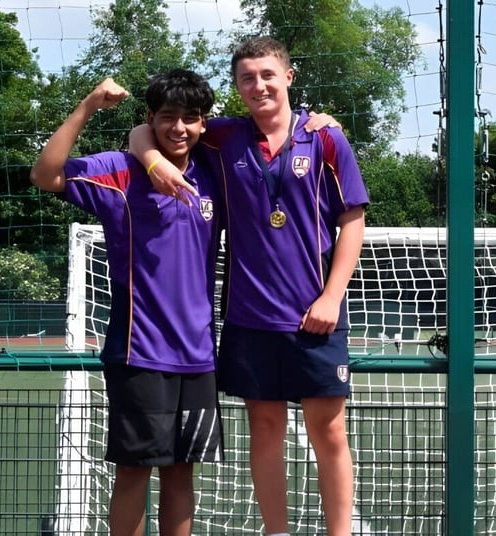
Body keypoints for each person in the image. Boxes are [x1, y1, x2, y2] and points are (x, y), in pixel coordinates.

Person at [130, 37, 369, 536]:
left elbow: (352, 220)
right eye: (246, 78)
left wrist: (332, 296)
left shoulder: (325, 138)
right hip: (249, 316)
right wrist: (153, 162)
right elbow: (142, 131)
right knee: (265, 430)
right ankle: (275, 533)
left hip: (316, 315)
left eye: (266, 74)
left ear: (288, 76)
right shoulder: (223, 137)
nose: (257, 85)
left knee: (329, 432)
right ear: (237, 87)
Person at [30, 70, 222, 536]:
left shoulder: (215, 171)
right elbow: (45, 174)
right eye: (168, 118)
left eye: (190, 119)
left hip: (199, 356)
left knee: (181, 471)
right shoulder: (118, 173)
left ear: (203, 123)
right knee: (135, 471)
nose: (179, 128)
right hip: (140, 353)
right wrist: (89, 105)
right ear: (150, 119)